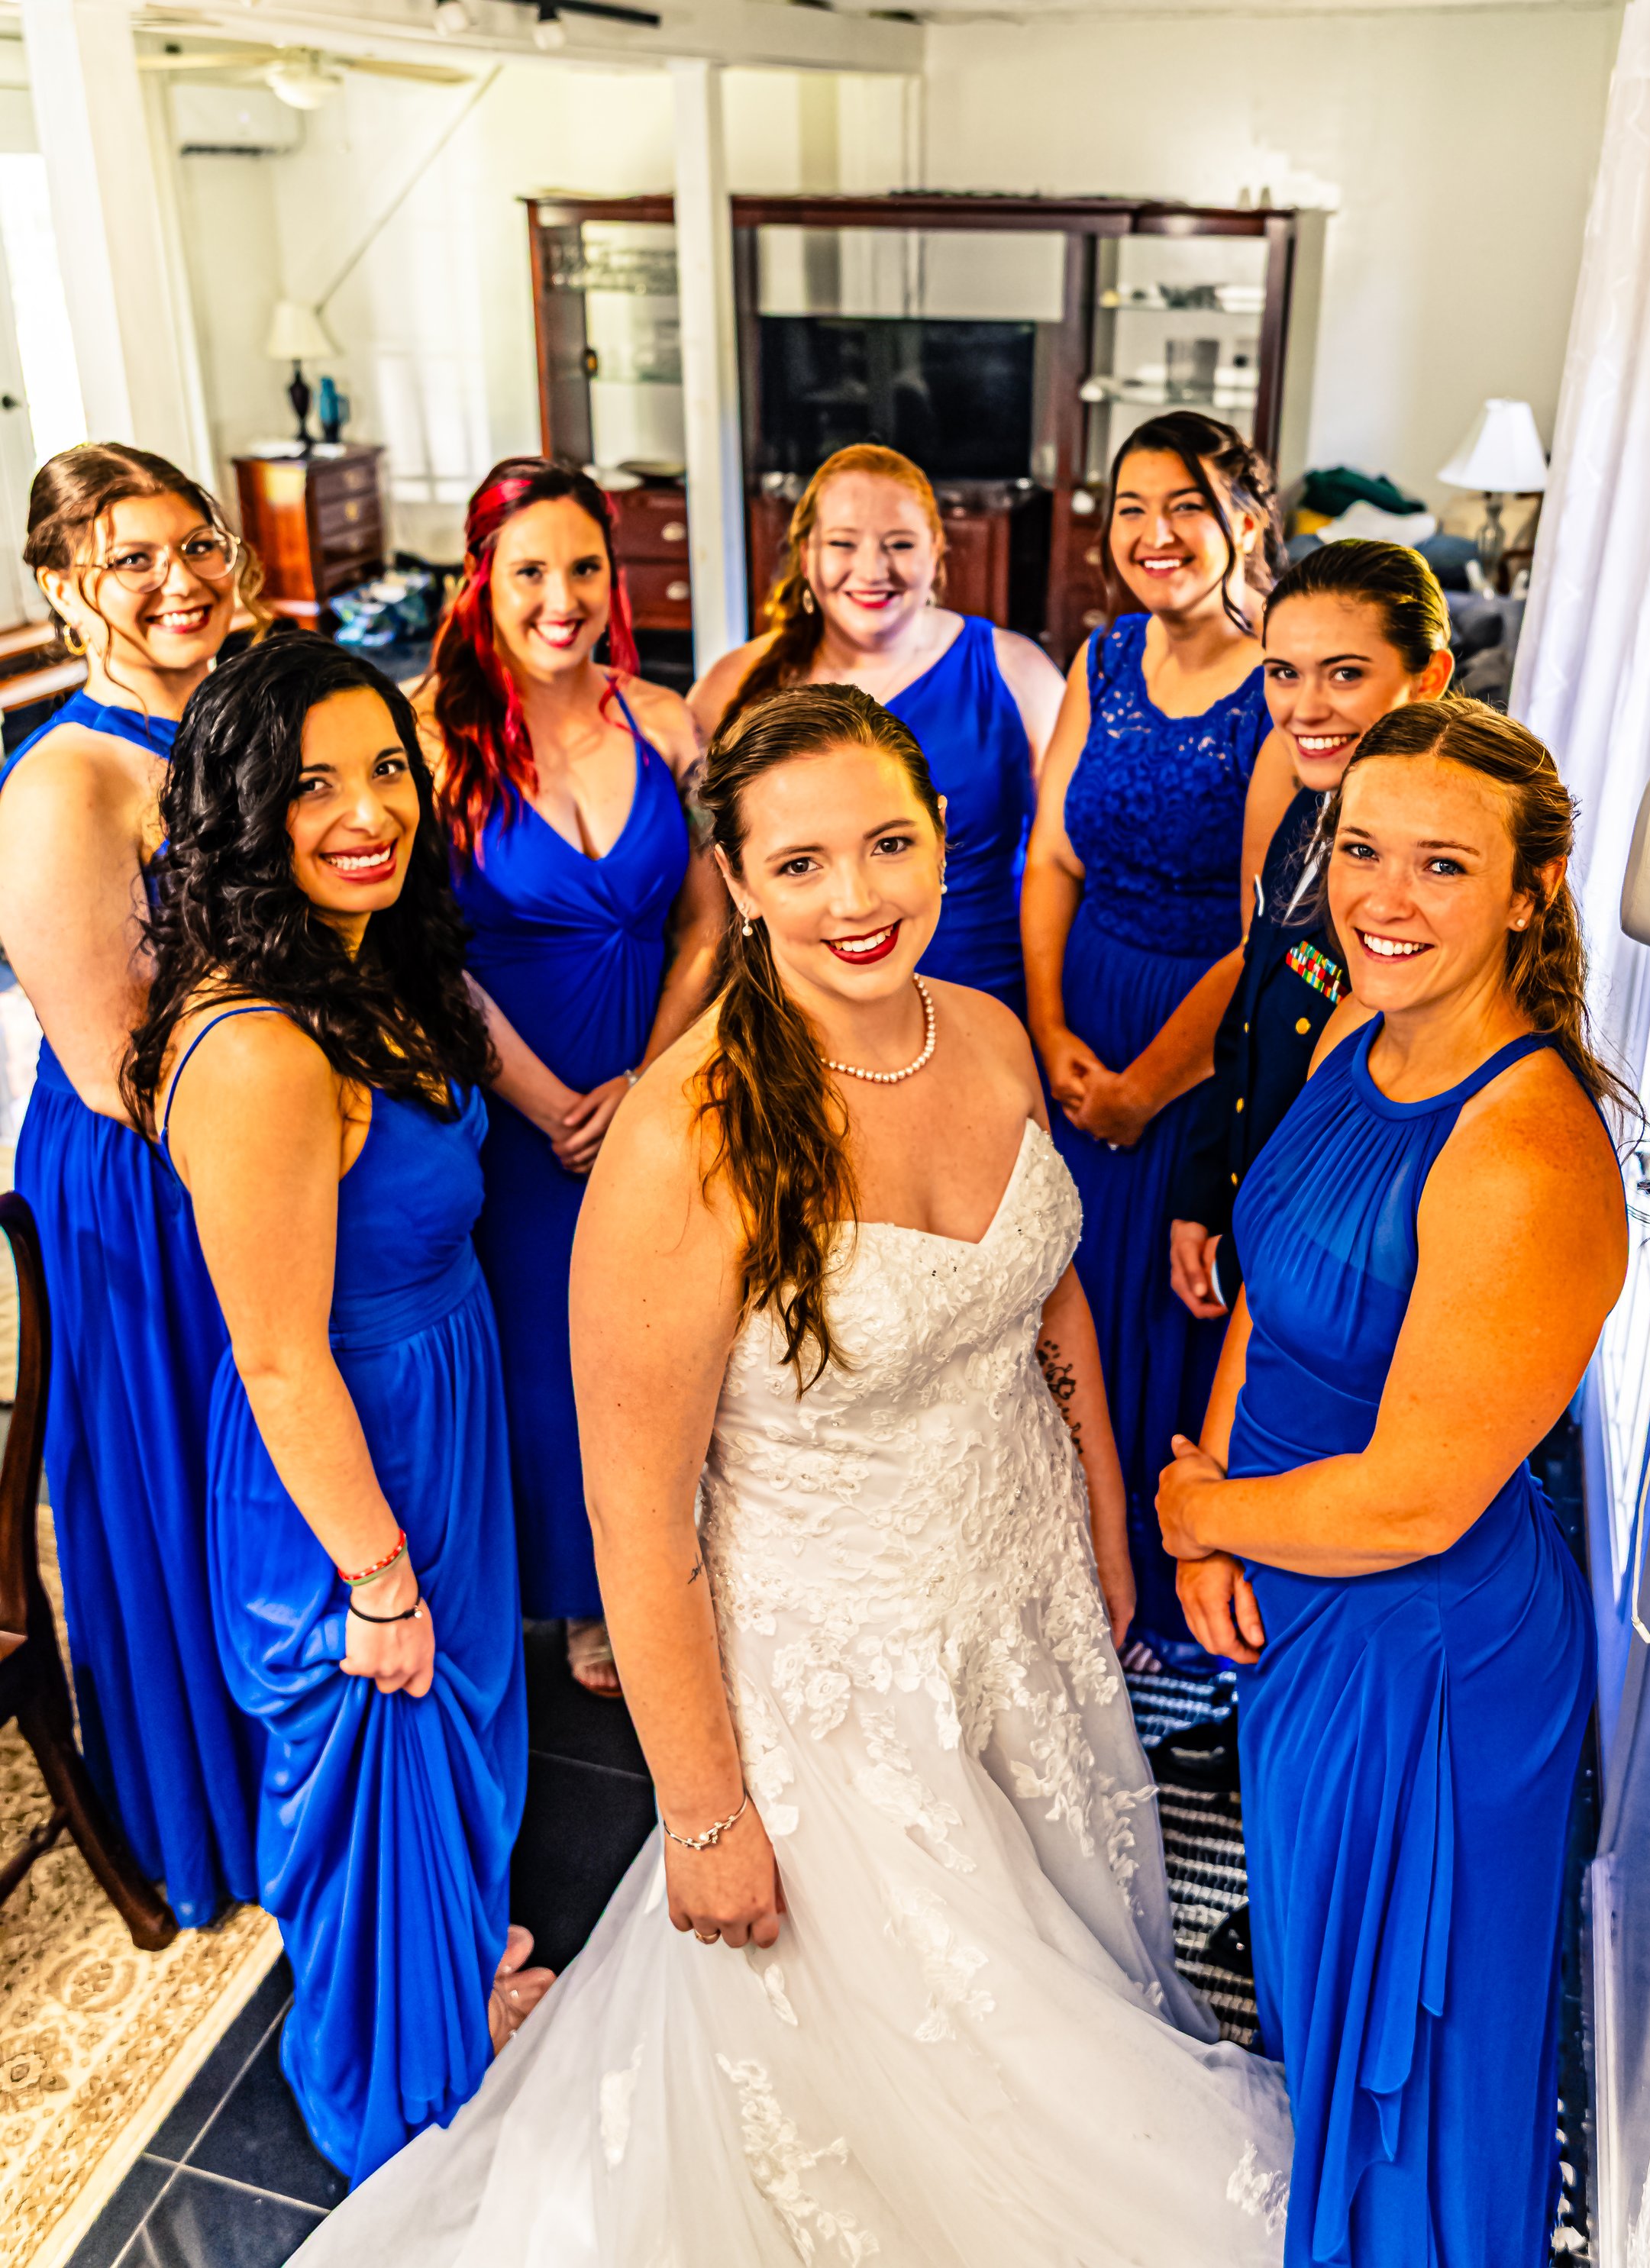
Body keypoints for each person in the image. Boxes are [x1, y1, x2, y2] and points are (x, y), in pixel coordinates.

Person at [286, 683, 1293, 2266]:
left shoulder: (983, 1030)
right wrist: (700, 1818)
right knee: (934, 2053)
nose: (856, 897)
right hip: (836, 1668)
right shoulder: (688, 1137)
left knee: (1061, 1938)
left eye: (888, 845)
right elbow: (639, 1516)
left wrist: (1100, 1513)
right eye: (802, 862)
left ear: (940, 843)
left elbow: (1045, 1298)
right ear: (738, 885)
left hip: (1017, 1587)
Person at [1157, 698, 1627, 2267]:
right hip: (1297, 1601)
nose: (1382, 895)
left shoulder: (1524, 1151)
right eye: (1360, 847)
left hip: (1421, 1649)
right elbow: (1269, 1295)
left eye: (1440, 863)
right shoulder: (1363, 1035)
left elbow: (1419, 1496)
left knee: (1408, 2073)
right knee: (1315, 1993)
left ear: (1526, 892)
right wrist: (1215, 1491)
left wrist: (1197, 1514)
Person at [124, 634, 546, 2185]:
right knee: (381, 1750)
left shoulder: (356, 968)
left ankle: (453, 1983)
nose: (367, 809)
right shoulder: (258, 1046)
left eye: (387, 768)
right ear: (245, 812)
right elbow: (283, 1356)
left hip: (434, 1411)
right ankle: (405, 2090)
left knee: (454, 1756)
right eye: (313, 785)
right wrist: (373, 1578)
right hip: (348, 1462)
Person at [0, 443, 260, 1928]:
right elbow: (115, 1062)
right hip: (148, 1181)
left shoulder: (231, 715)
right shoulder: (61, 783)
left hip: (258, 1136)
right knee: (184, 1479)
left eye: (195, 544)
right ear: (61, 591)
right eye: (133, 561)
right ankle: (211, 1811)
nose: (181, 580)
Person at [416, 457, 724, 1699]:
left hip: (657, 1080)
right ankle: (573, 1595)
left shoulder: (663, 720)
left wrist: (650, 1081)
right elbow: (424, 956)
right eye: (531, 569)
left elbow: (710, 916)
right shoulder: (433, 739)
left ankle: (659, 1567)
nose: (563, 597)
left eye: (584, 567)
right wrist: (550, 1107)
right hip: (511, 1108)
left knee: (668, 1342)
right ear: (482, 578)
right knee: (544, 1356)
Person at [1024, 409, 1281, 1666]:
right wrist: (1050, 1028)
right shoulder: (1104, 659)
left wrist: (1139, 1088)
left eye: (1184, 504)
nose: (1154, 533)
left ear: (1245, 518)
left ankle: (1154, 1584)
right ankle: (1063, 1541)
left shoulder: (1273, 689)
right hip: (1081, 1010)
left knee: (1157, 1307)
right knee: (1054, 1292)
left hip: (1195, 1039)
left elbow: (1259, 936)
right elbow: (1054, 851)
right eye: (1131, 506)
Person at [1170, 541, 1457, 1318]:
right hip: (1255, 1221)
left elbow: (1374, 1111)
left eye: (1345, 673)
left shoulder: (1433, 864)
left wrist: (1251, 1248)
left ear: (1427, 677)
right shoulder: (1310, 801)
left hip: (1332, 1269)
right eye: (1283, 672)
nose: (1303, 708)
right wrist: (1205, 1188)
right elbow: (1254, 1009)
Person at [688, 443, 1063, 1015]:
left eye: (900, 544)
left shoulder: (1019, 673)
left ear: (937, 553)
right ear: (806, 553)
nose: (872, 569)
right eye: (843, 543)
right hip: (799, 1017)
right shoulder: (730, 688)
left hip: (986, 1001)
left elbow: (1064, 865)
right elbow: (709, 896)